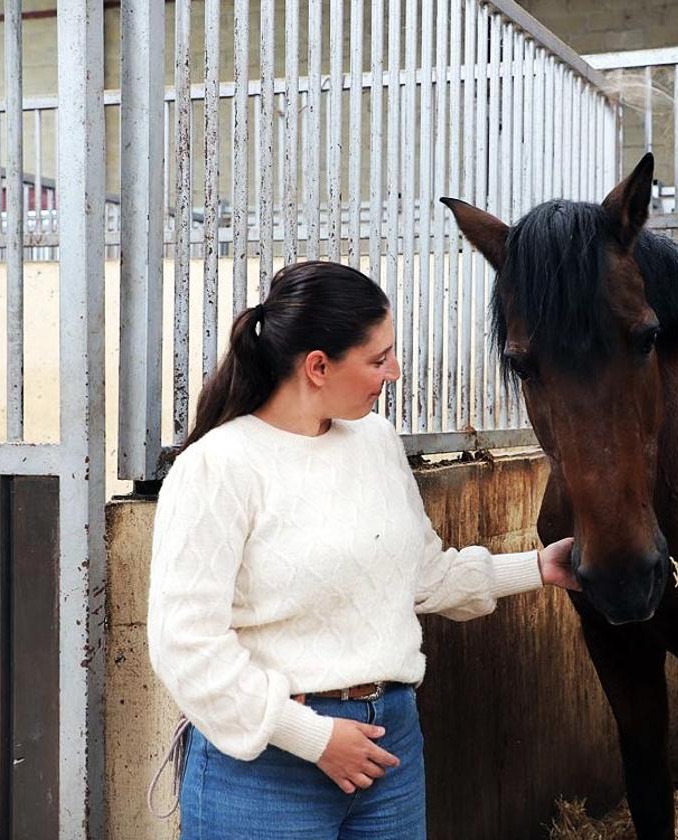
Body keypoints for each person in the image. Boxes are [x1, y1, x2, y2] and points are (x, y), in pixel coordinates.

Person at [147, 260, 577, 840]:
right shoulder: (218, 467)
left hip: (390, 744)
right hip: (268, 765)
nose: (394, 371)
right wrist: (315, 738)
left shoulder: (374, 441)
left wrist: (537, 568)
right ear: (317, 366)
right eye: (378, 359)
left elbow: (420, 575)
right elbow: (186, 645)